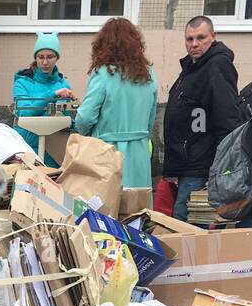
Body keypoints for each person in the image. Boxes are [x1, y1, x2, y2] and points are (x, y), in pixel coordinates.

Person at [162, 15, 245, 223]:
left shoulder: (217, 66)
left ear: (213, 36)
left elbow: (227, 118)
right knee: (182, 219)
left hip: (200, 164)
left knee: (186, 222)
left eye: (201, 38)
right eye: (189, 39)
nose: (194, 44)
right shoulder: (192, 67)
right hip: (187, 162)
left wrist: (220, 167)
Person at [74, 18, 158, 189]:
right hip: (139, 154)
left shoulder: (103, 75)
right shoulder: (149, 75)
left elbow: (84, 118)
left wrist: (85, 132)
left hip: (107, 154)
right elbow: (151, 118)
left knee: (107, 209)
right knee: (136, 208)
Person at [12, 31, 74, 166]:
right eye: (40, 57)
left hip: (54, 154)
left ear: (57, 58)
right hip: (27, 151)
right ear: (36, 58)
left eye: (50, 57)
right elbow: (25, 113)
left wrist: (73, 115)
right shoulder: (22, 83)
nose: (45, 62)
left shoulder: (64, 85)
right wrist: (53, 95)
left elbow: (67, 121)